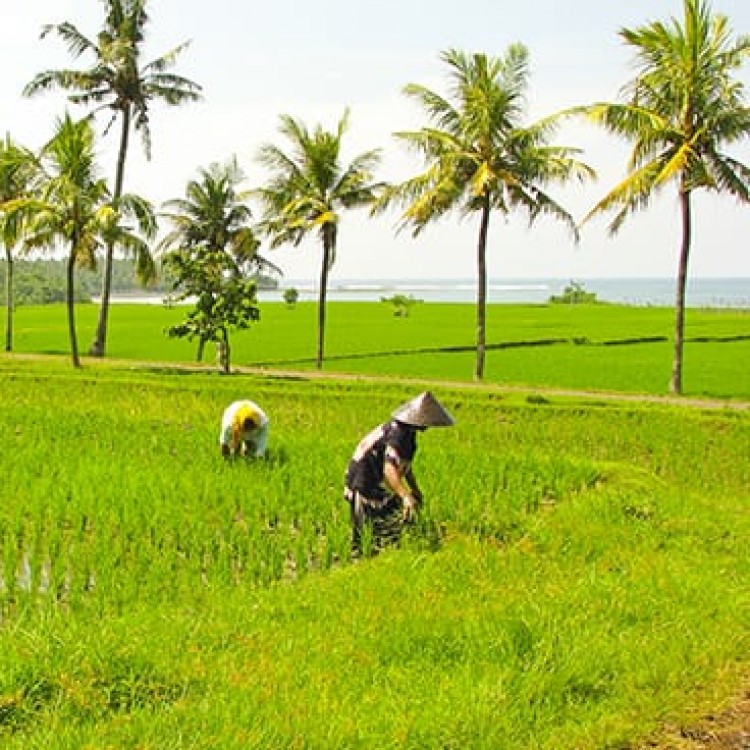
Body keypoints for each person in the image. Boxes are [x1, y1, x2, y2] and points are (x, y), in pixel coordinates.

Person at [343, 391, 455, 550]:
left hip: (375, 481)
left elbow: (403, 466)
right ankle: (360, 560)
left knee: (385, 530)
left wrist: (414, 489)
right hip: (363, 481)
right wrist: (405, 496)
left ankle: (381, 554)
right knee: (366, 535)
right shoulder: (398, 434)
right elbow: (389, 470)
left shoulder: (408, 434)